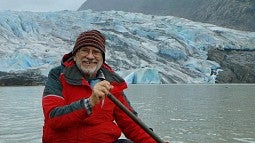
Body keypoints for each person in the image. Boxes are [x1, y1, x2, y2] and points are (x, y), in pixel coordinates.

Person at [42, 30, 158, 143]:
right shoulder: (58, 76)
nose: (90, 56)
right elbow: (54, 118)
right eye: (85, 50)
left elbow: (131, 124)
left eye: (96, 52)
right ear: (75, 56)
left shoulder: (112, 83)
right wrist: (89, 103)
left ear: (102, 58)